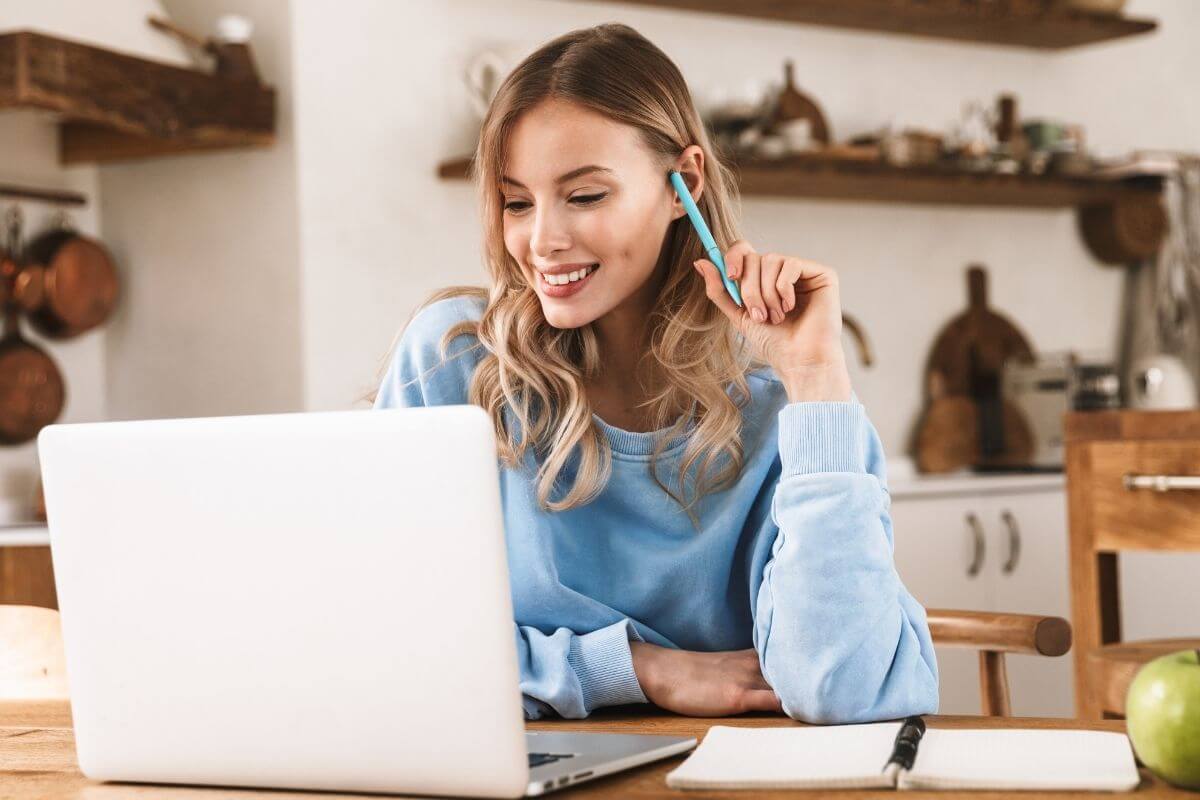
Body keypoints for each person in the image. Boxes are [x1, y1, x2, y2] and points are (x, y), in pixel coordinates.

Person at [370, 23, 938, 723]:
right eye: (517, 201)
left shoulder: (780, 408)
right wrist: (639, 669)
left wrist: (816, 377)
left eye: (583, 196)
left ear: (683, 184)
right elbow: (390, 647)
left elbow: (844, 689)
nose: (542, 239)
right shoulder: (455, 364)